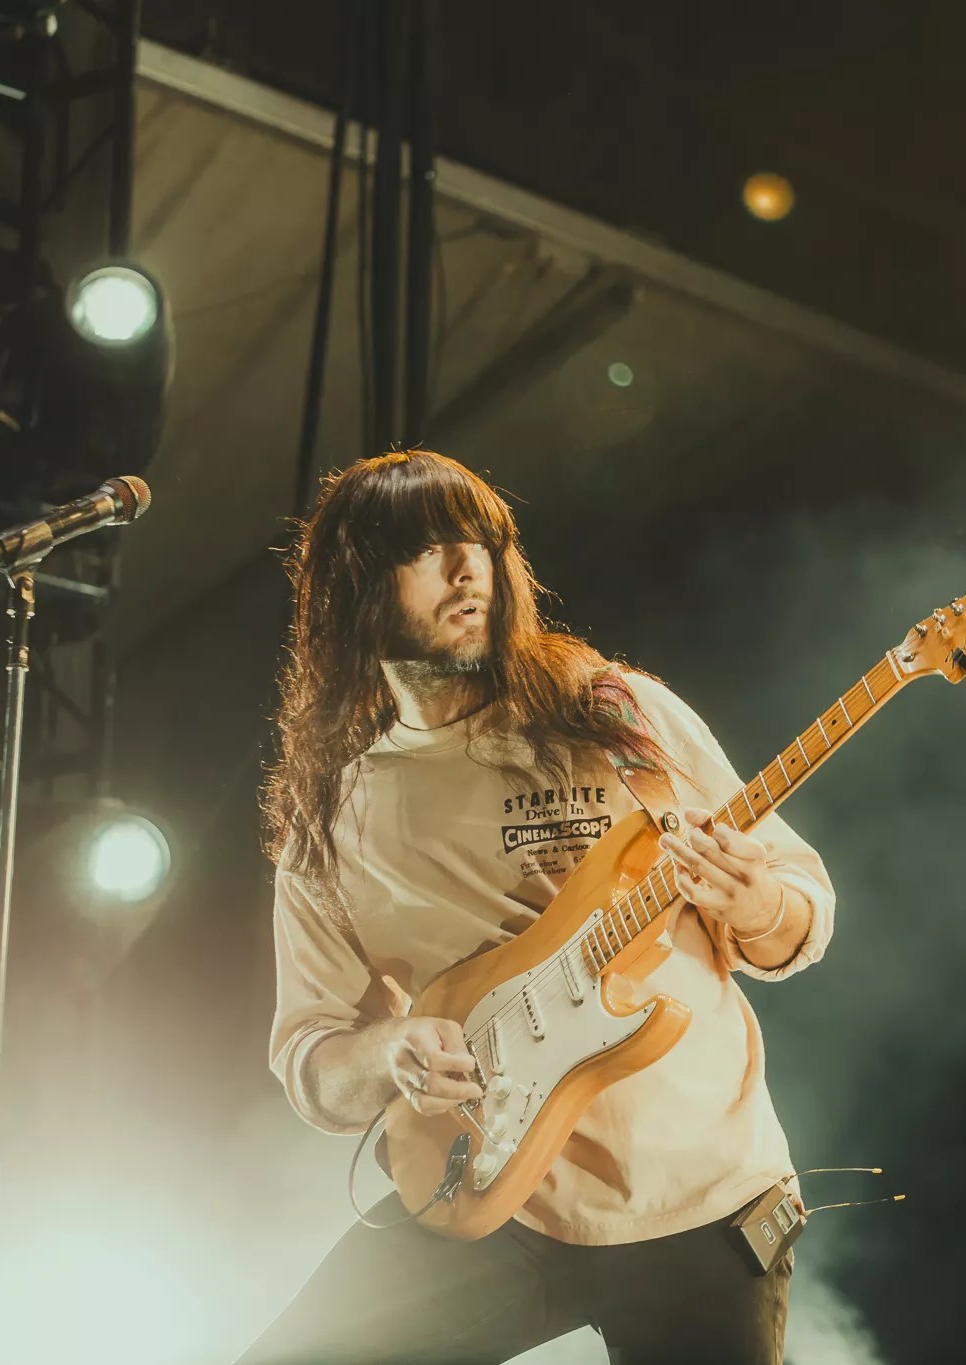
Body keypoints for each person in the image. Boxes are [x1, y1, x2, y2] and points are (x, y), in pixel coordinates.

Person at [242, 449, 835, 1365]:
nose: (466, 568)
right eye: (426, 549)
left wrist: (758, 903)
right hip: (484, 1194)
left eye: (478, 541)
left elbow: (801, 905)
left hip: (702, 1198)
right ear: (353, 591)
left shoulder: (617, 713)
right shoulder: (333, 818)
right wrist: (390, 1051)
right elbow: (313, 1062)